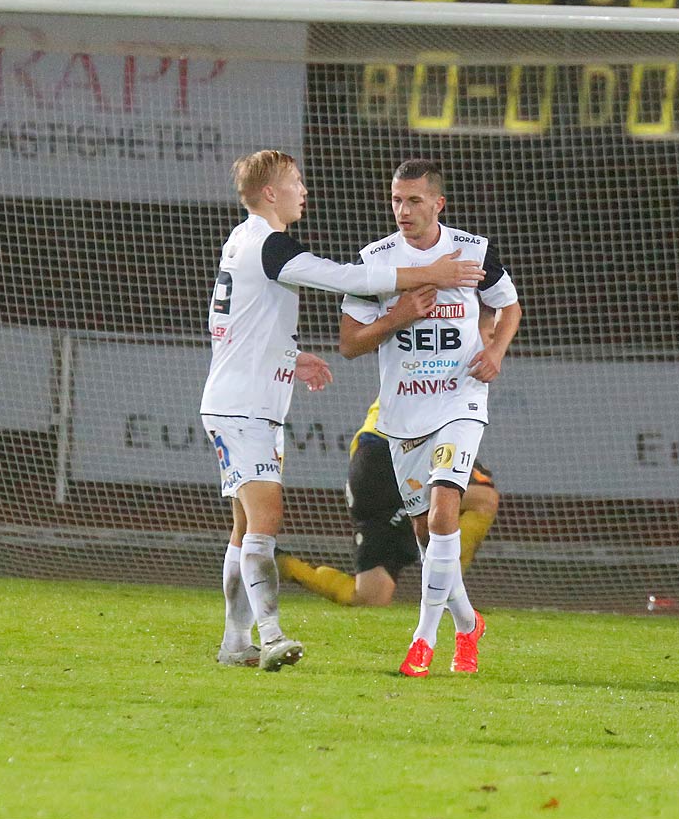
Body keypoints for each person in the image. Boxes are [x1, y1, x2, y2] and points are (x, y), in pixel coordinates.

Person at [200, 150, 482, 671]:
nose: (303, 190)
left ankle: (235, 643)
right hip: (244, 407)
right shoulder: (268, 242)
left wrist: (291, 356)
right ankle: (271, 633)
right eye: (296, 182)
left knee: (243, 528)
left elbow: (230, 324)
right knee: (265, 518)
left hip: (241, 400)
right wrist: (429, 272)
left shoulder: (240, 240)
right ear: (270, 193)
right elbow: (343, 278)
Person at [339, 159, 521, 676]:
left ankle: (423, 642)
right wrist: (397, 316)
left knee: (445, 514)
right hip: (402, 411)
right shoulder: (375, 261)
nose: (403, 210)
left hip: (459, 400)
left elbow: (508, 306)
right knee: (425, 534)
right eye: (396, 200)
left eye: (414, 200)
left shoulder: (473, 250)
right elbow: (350, 343)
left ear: (437, 204)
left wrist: (497, 351)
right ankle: (468, 625)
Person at [279, 399, 501, 607]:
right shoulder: (437, 366)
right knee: (482, 499)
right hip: (398, 447)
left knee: (369, 596)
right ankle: (448, 595)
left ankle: (279, 564)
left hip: (372, 461)